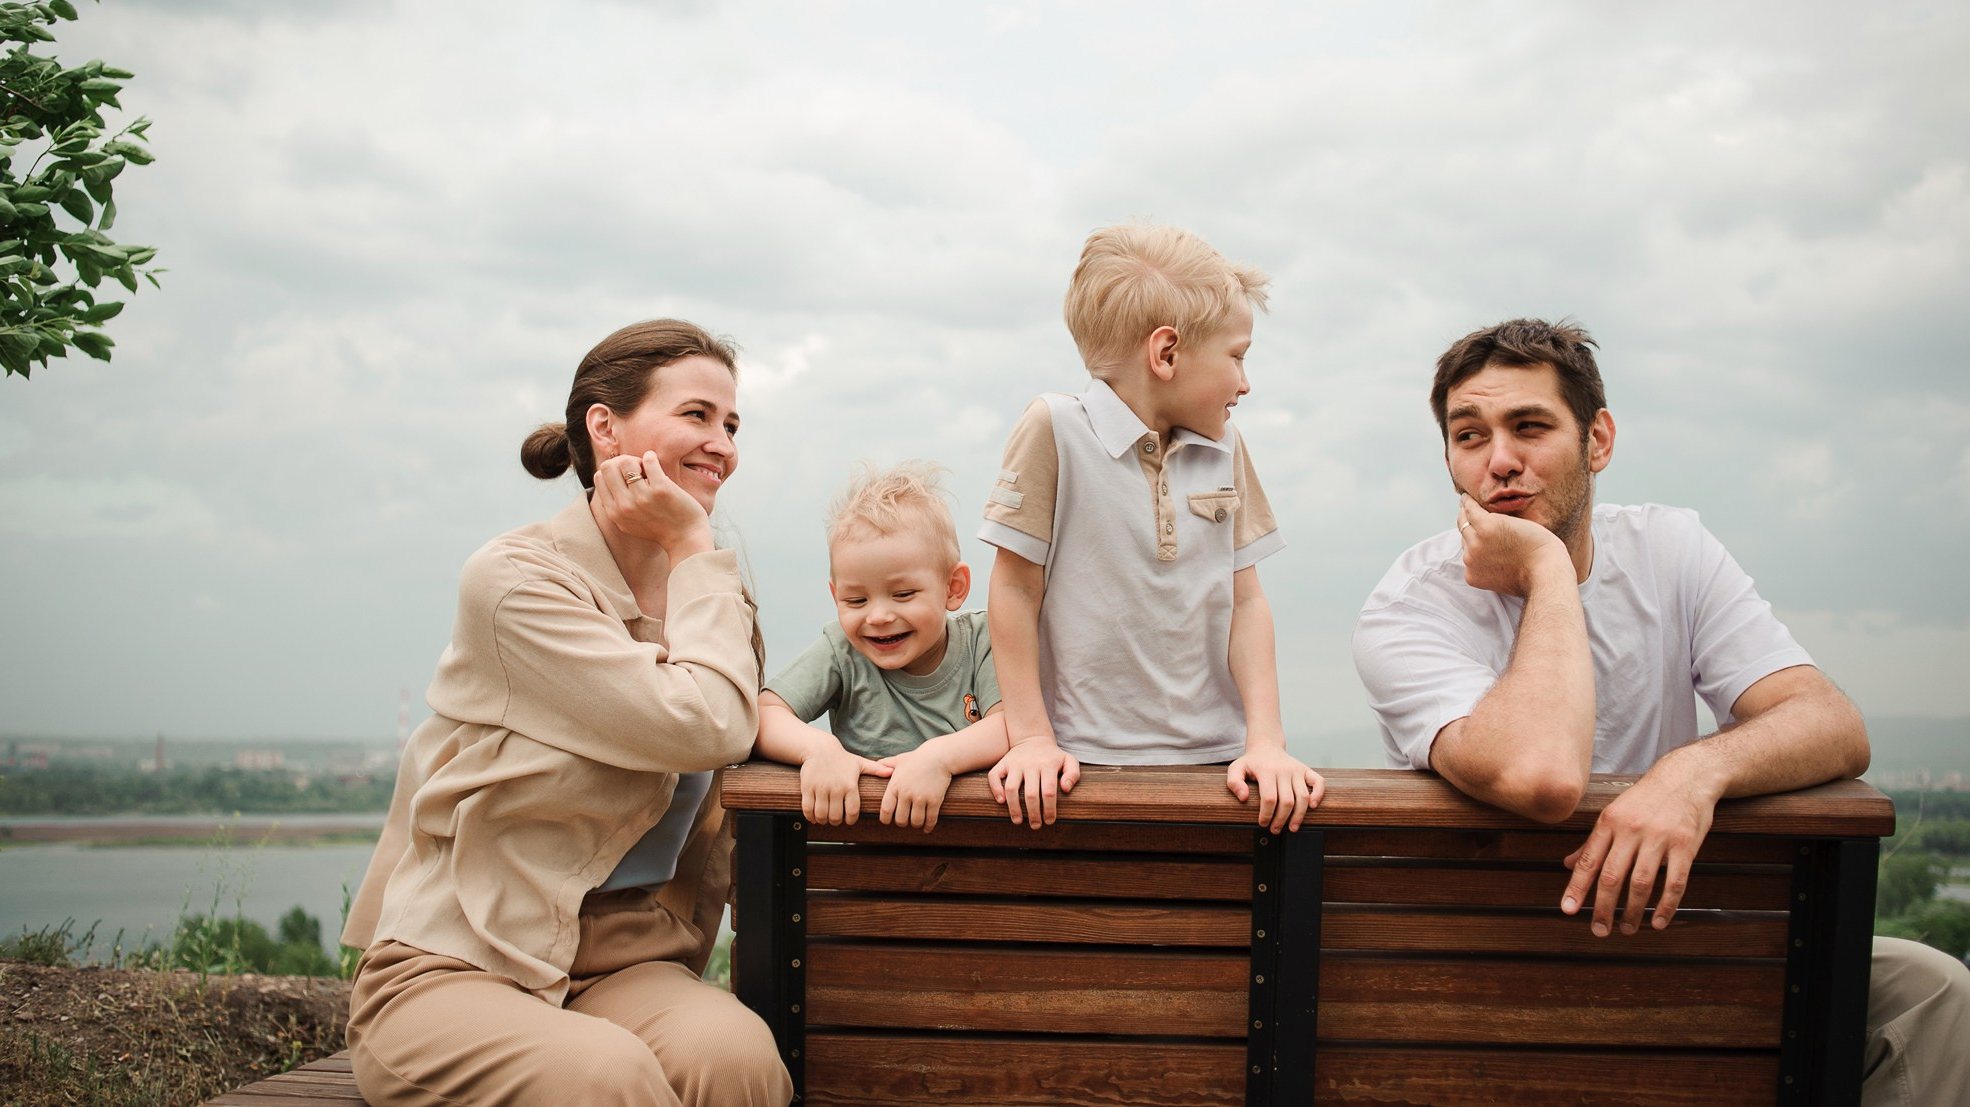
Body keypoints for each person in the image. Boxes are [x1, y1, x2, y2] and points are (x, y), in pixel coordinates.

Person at [1353, 316, 1970, 1105]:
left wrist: (1695, 770)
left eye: (1530, 426)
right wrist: (1548, 569)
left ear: (1599, 439)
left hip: (1667, 938)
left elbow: (1831, 723)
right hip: (1481, 958)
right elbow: (1545, 777)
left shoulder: (1672, 549)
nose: (1500, 461)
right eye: (1469, 436)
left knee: (1932, 991)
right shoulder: (1407, 607)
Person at [340, 319, 791, 1107]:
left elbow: (744, 717)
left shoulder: (710, 591)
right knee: (604, 1079)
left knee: (737, 1058)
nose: (722, 442)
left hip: (624, 957)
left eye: (731, 423)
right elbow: (701, 722)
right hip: (461, 957)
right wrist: (692, 540)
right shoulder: (517, 580)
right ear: (604, 425)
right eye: (696, 415)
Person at [978, 223, 1324, 832]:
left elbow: (1246, 601)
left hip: (1220, 764)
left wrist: (1265, 742)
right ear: (1166, 353)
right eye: (1237, 356)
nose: (1245, 383)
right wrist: (1030, 737)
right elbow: (1013, 589)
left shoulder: (1226, 446)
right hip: (1078, 763)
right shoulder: (1055, 429)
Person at [753, 461, 1007, 832]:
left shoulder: (983, 639)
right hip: (873, 862)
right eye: (856, 601)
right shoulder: (841, 651)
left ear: (954, 588)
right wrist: (819, 750)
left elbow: (1010, 724)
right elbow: (764, 715)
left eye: (903, 594)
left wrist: (939, 759)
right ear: (835, 595)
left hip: (983, 855)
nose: (879, 616)